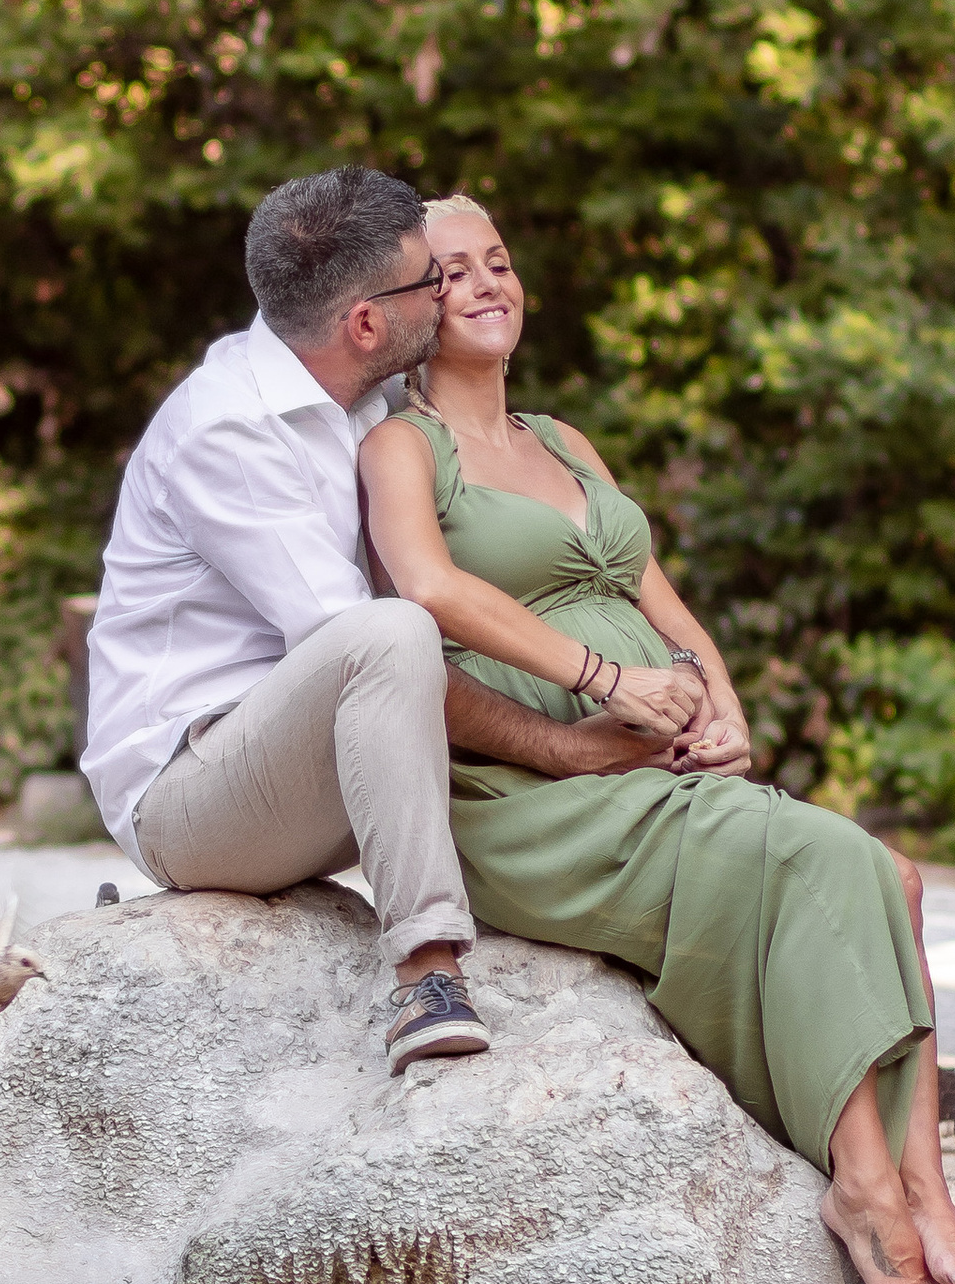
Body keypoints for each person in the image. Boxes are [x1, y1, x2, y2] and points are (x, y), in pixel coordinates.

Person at [359, 196, 955, 1284]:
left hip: (657, 766)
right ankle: (861, 1186)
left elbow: (663, 605)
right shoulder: (403, 447)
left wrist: (723, 703)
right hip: (531, 792)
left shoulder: (563, 441)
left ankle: (923, 1183)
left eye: (500, 261)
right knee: (816, 861)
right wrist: (599, 690)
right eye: (453, 272)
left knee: (891, 877)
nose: (487, 284)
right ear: (412, 304)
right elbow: (425, 596)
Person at [82, 168, 684, 1073]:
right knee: (392, 631)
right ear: (366, 322)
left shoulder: (372, 397)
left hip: (319, 760)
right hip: (194, 794)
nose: (448, 295)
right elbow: (369, 650)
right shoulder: (230, 431)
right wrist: (563, 736)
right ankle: (425, 975)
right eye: (429, 282)